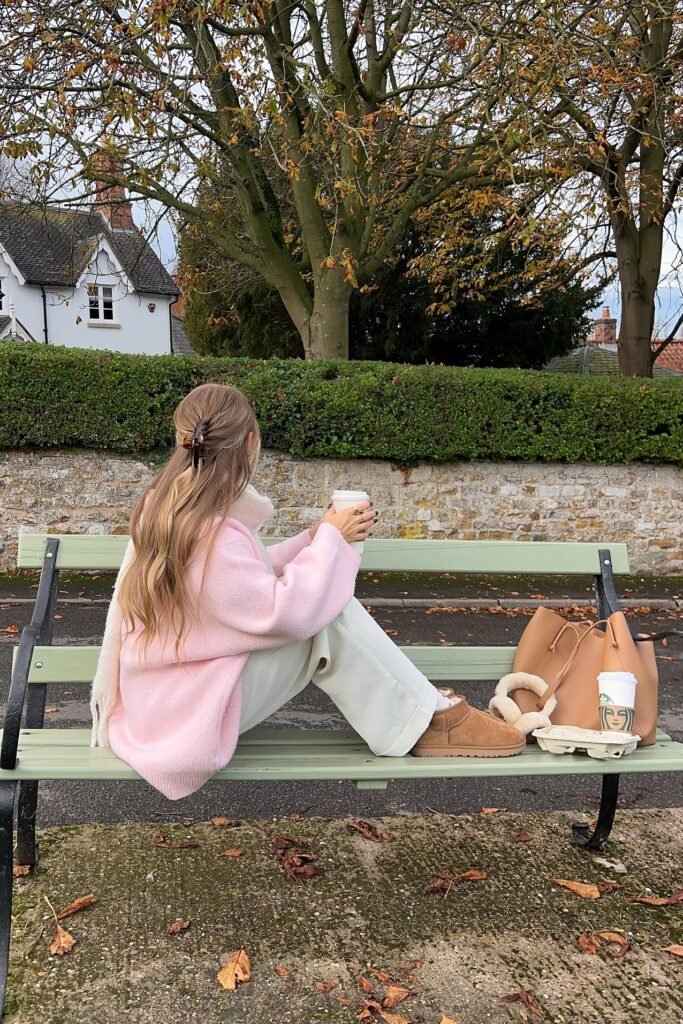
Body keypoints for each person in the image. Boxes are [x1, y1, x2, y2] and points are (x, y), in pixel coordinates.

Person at [90, 383, 524, 800]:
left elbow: (239, 579)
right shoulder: (209, 531)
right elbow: (285, 613)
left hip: (161, 704)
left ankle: (425, 712)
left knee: (326, 603)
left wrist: (314, 537)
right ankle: (428, 721)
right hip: (184, 721)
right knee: (327, 617)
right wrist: (332, 543)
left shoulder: (169, 508)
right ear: (250, 444)